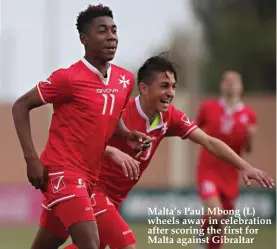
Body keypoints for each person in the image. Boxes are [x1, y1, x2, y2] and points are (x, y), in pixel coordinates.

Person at [64, 57, 274, 249]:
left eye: (173, 87)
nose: (170, 93)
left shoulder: (170, 117)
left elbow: (208, 141)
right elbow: (79, 144)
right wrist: (111, 152)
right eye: (164, 86)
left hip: (117, 198)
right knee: (127, 245)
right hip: (93, 191)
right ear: (143, 88)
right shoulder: (118, 112)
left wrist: (244, 166)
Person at [12, 4, 151, 249]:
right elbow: (20, 106)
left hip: (89, 179)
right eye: (102, 31)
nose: (111, 37)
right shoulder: (68, 78)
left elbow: (111, 115)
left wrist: (126, 134)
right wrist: (31, 159)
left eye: (114, 30)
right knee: (91, 244)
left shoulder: (124, 79)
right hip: (61, 174)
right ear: (84, 39)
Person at [195, 70, 261, 249]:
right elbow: (193, 131)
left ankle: (205, 238)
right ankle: (200, 235)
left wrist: (250, 137)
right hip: (208, 170)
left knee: (220, 223)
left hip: (231, 174)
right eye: (227, 80)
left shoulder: (248, 114)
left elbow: (247, 149)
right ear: (221, 85)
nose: (230, 84)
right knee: (216, 213)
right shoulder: (208, 107)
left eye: (234, 81)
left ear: (241, 87)